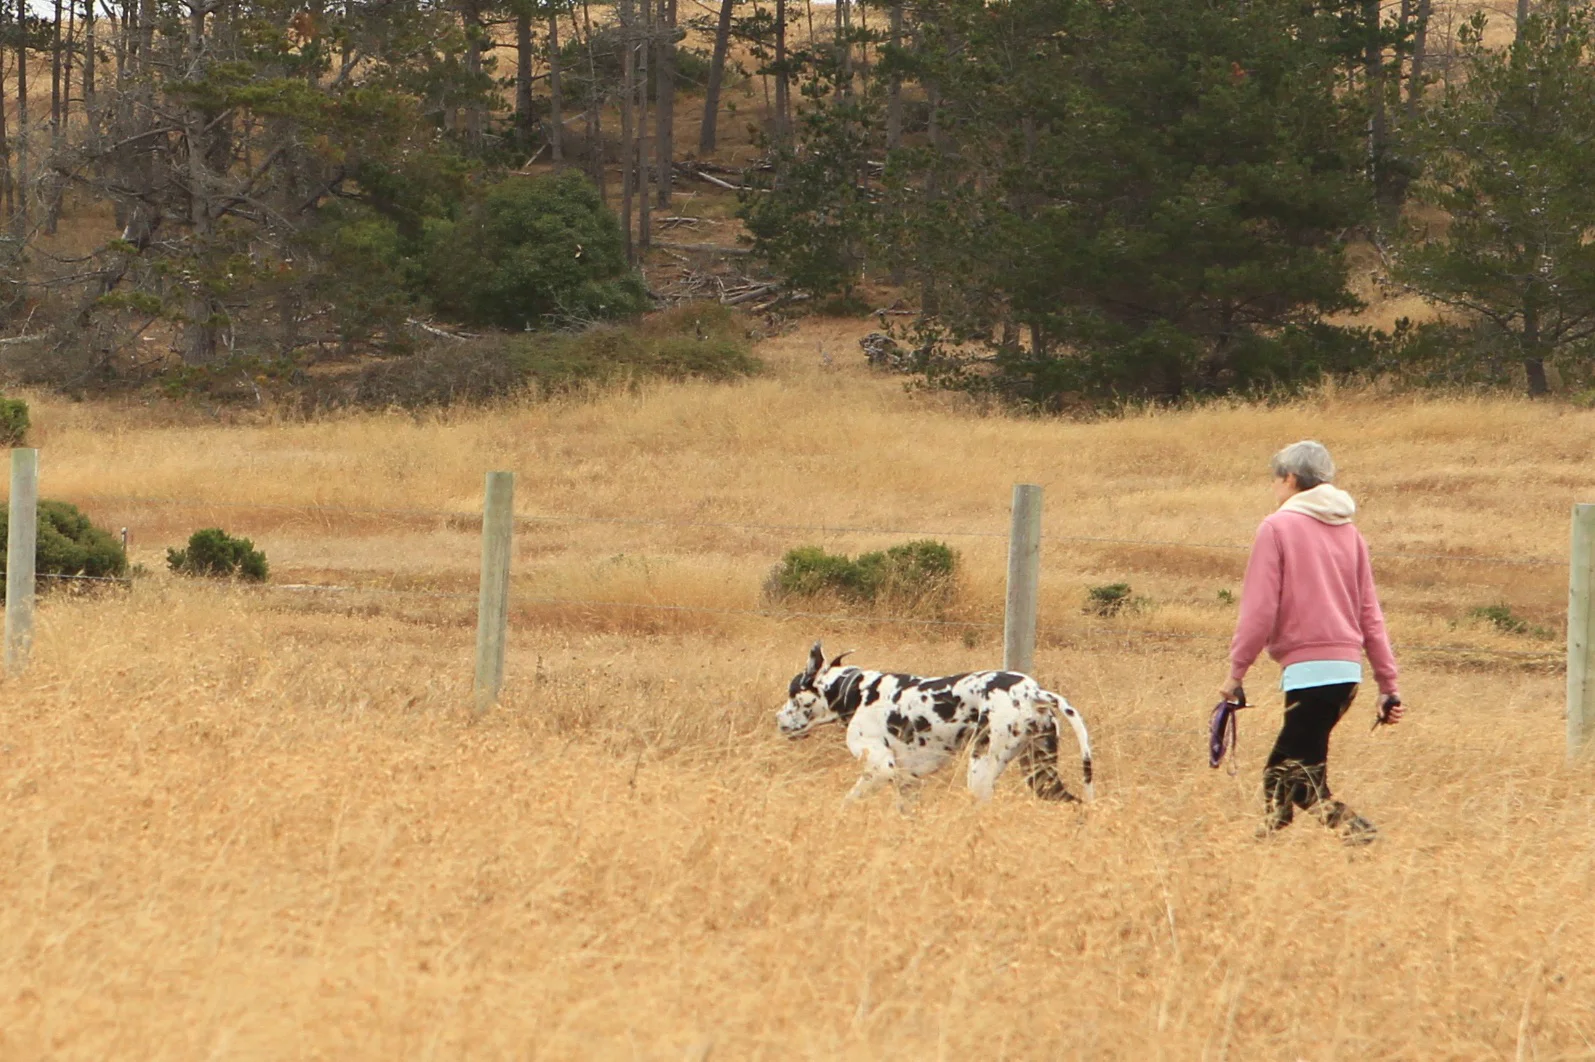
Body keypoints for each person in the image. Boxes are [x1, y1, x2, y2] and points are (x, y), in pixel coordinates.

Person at [1220, 440, 1404, 844]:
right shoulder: (1350, 533)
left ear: (1289, 478)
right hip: (1345, 676)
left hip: (1309, 675)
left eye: (1275, 479)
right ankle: (1270, 851)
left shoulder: (1276, 527)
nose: (1274, 488)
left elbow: (1259, 610)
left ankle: (1360, 837)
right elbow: (1370, 614)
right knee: (1298, 775)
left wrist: (1236, 673)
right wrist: (1388, 686)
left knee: (1286, 775)